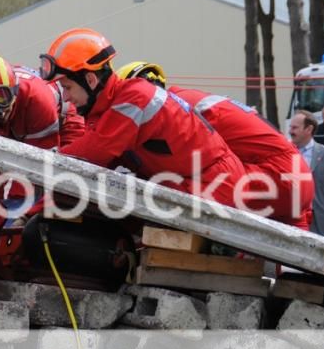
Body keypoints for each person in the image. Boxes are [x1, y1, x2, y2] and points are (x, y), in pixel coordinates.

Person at [39, 31, 246, 207]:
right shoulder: (105, 110)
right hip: (190, 183)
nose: (65, 97)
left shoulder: (134, 98)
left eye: (67, 87)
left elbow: (95, 152)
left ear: (90, 80)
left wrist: (42, 162)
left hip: (216, 185)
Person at [119, 61, 313, 229]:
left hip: (273, 176)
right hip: (298, 179)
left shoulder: (174, 110)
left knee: (166, 188)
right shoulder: (193, 99)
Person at [288, 111, 324, 236]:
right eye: (290, 127)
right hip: (290, 216)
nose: (290, 131)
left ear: (309, 129)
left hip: (320, 218)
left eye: (295, 127)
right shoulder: (286, 152)